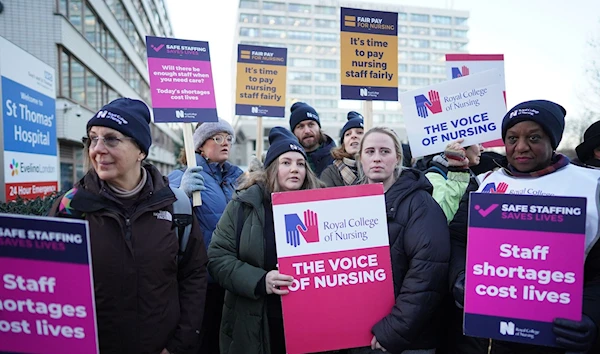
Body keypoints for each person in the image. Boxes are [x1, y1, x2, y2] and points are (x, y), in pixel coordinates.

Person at [49, 98, 208, 354]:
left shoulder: (175, 205)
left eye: (111, 139)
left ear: (141, 151)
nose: (97, 149)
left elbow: (193, 275)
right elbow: (53, 289)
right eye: (93, 138)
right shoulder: (70, 208)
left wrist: (179, 345)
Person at [449, 100, 600, 354]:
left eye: (533, 137)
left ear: (552, 141)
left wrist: (592, 314)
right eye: (511, 138)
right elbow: (458, 240)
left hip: (557, 337)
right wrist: (460, 276)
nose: (520, 147)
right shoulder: (486, 183)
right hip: (489, 337)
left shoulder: (590, 187)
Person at [207, 127, 324, 354]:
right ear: (272, 169)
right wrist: (261, 280)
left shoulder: (319, 206)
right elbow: (217, 258)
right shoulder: (244, 205)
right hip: (255, 323)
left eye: (300, 164)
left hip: (306, 323)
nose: (294, 169)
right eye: (286, 162)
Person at [349, 127, 450, 354]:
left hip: (405, 341)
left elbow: (427, 274)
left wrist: (394, 330)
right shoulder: (348, 203)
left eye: (385, 151)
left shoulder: (420, 203)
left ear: (397, 159)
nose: (377, 158)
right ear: (360, 159)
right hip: (359, 334)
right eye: (370, 151)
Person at [168, 118, 243, 354]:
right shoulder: (182, 176)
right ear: (200, 144)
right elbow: (162, 218)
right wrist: (181, 193)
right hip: (202, 279)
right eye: (218, 137)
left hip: (232, 275)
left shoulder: (236, 176)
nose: (226, 143)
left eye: (229, 138)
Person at [424, 139, 484, 222]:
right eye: (478, 143)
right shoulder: (434, 177)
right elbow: (439, 220)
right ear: (459, 144)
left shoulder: (469, 173)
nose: (482, 148)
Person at [289, 101, 336, 176]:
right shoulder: (288, 162)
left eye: (311, 124)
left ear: (319, 127)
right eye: (301, 126)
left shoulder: (336, 158)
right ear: (293, 132)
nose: (307, 131)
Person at [321, 111, 364, 187]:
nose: (353, 136)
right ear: (343, 143)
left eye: (360, 132)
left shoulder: (378, 167)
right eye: (348, 134)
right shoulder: (330, 174)